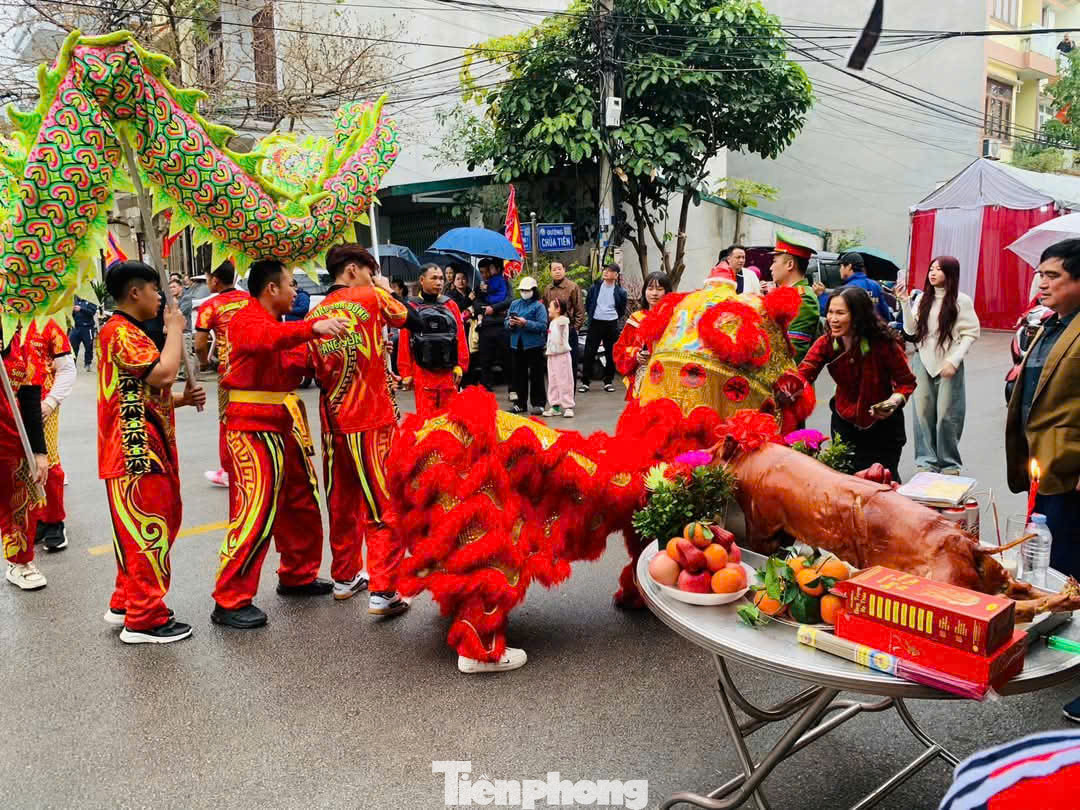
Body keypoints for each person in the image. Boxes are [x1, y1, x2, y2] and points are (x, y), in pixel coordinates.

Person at [211, 259, 348, 630]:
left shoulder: (279, 325)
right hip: (250, 427)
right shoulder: (246, 319)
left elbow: (301, 362)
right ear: (272, 289)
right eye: (291, 285)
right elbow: (265, 342)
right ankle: (230, 599)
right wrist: (313, 328)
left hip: (283, 423)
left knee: (301, 500)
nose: (297, 292)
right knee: (254, 510)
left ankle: (298, 574)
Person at [97, 260, 206, 642]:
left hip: (140, 447)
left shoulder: (124, 332)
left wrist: (180, 400)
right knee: (149, 534)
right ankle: (145, 619)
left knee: (140, 534)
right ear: (135, 293)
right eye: (155, 291)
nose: (161, 298)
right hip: (136, 454)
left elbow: (137, 396)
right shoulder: (121, 332)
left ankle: (127, 601)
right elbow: (160, 374)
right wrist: (175, 331)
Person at [307, 245, 415, 614]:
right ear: (354, 269)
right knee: (383, 503)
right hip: (371, 420)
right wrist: (384, 287)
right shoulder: (372, 295)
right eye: (370, 270)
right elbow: (406, 317)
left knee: (341, 503)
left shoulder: (316, 311)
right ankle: (384, 589)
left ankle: (344, 576)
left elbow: (317, 366)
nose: (372, 276)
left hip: (332, 422)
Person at [1003, 239, 1080, 723]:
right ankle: (1062, 646)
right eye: (1041, 274)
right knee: (1057, 561)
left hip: (1072, 470)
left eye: (1054, 275)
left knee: (1075, 562)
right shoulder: (1049, 324)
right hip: (1044, 463)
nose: (1043, 282)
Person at [798, 287, 916, 482]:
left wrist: (894, 401)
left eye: (840, 313)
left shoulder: (884, 343)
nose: (832, 319)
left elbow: (906, 382)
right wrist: (789, 389)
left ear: (858, 315)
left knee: (884, 486)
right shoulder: (826, 343)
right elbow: (804, 373)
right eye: (830, 312)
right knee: (848, 486)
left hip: (884, 429)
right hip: (845, 425)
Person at [897, 256, 980, 474]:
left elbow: (970, 333)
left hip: (949, 362)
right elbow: (912, 332)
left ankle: (949, 463)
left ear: (950, 274)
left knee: (946, 415)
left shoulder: (961, 301)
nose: (932, 273)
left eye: (939, 269)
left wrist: (954, 361)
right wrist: (905, 303)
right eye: (931, 268)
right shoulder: (923, 299)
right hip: (922, 360)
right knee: (922, 412)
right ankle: (926, 462)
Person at [1, 327, 50, 591]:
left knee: (19, 506)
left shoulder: (22, 343)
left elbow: (31, 397)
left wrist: (39, 451)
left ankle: (19, 563)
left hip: (11, 440)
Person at [194, 261, 250, 489]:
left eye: (208, 279)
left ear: (215, 280)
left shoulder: (211, 306)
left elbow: (199, 344)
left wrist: (204, 362)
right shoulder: (251, 300)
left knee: (228, 421)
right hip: (255, 367)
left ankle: (229, 470)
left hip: (229, 372)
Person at [25, 318, 75, 552]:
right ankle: (36, 518)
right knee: (20, 467)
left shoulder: (49, 324)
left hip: (42, 406)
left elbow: (66, 369)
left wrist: (51, 402)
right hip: (9, 407)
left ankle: (54, 521)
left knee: (48, 463)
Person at [399, 263, 469, 419]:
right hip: (422, 372)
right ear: (422, 280)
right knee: (426, 421)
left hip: (448, 371)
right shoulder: (411, 306)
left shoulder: (450, 305)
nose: (439, 282)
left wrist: (460, 365)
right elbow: (405, 340)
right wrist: (406, 373)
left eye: (441, 279)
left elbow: (460, 337)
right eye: (434, 278)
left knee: (450, 420)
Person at [613, 271, 672, 400]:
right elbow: (620, 350)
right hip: (642, 381)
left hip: (670, 380)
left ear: (667, 292)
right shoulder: (636, 319)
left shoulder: (675, 319)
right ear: (644, 291)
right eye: (650, 288)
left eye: (659, 289)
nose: (654, 293)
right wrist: (636, 355)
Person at [768, 234, 822, 363]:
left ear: (790, 264)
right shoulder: (787, 295)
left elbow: (794, 353)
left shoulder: (803, 299)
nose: (771, 267)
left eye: (775, 261)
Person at [580, 263, 627, 393]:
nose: (606, 272)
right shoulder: (595, 287)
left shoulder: (620, 292)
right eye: (605, 270)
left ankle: (608, 381)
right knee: (589, 352)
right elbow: (589, 303)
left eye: (610, 271)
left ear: (616, 275)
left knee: (610, 353)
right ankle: (585, 382)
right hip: (595, 322)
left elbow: (621, 309)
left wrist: (613, 316)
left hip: (611, 324)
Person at [506, 276, 548, 415]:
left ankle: (539, 403)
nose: (524, 292)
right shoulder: (515, 304)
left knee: (536, 375)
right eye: (522, 290)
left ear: (533, 290)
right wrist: (510, 323)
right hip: (516, 344)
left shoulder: (539, 306)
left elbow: (543, 325)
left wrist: (526, 323)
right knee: (518, 375)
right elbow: (506, 321)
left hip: (534, 345)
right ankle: (520, 403)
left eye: (527, 290)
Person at [814, 252, 891, 323]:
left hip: (856, 333)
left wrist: (821, 295)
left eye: (841, 266)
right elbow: (885, 313)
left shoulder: (847, 289)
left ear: (849, 266)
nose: (839, 270)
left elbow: (828, 311)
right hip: (874, 332)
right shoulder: (875, 285)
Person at [473, 257, 512, 392]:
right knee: (485, 359)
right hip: (486, 326)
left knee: (506, 358)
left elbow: (509, 300)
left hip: (501, 325)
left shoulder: (505, 282)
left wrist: (493, 308)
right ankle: (485, 386)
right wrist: (481, 293)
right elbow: (476, 304)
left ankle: (512, 388)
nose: (486, 273)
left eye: (489, 270)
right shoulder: (481, 286)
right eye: (483, 271)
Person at [542, 261, 585, 384]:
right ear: (550, 272)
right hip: (553, 331)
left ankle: (569, 396)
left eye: (559, 269)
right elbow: (545, 309)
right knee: (554, 365)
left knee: (571, 364)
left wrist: (575, 328)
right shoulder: (547, 289)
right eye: (554, 269)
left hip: (568, 329)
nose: (557, 271)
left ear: (564, 270)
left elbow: (579, 310)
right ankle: (557, 396)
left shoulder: (572, 287)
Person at [543, 297, 574, 418]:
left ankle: (568, 406)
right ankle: (555, 406)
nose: (548, 309)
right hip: (552, 356)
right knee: (553, 380)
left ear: (558, 309)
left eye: (551, 307)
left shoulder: (562, 321)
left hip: (562, 356)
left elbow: (564, 321)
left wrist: (561, 310)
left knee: (564, 380)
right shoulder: (552, 322)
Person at [69, 295, 97, 370]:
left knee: (88, 346)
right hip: (76, 327)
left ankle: (88, 363)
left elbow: (92, 312)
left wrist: (81, 309)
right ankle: (72, 364)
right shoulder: (75, 301)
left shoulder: (91, 300)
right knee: (73, 346)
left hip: (87, 328)